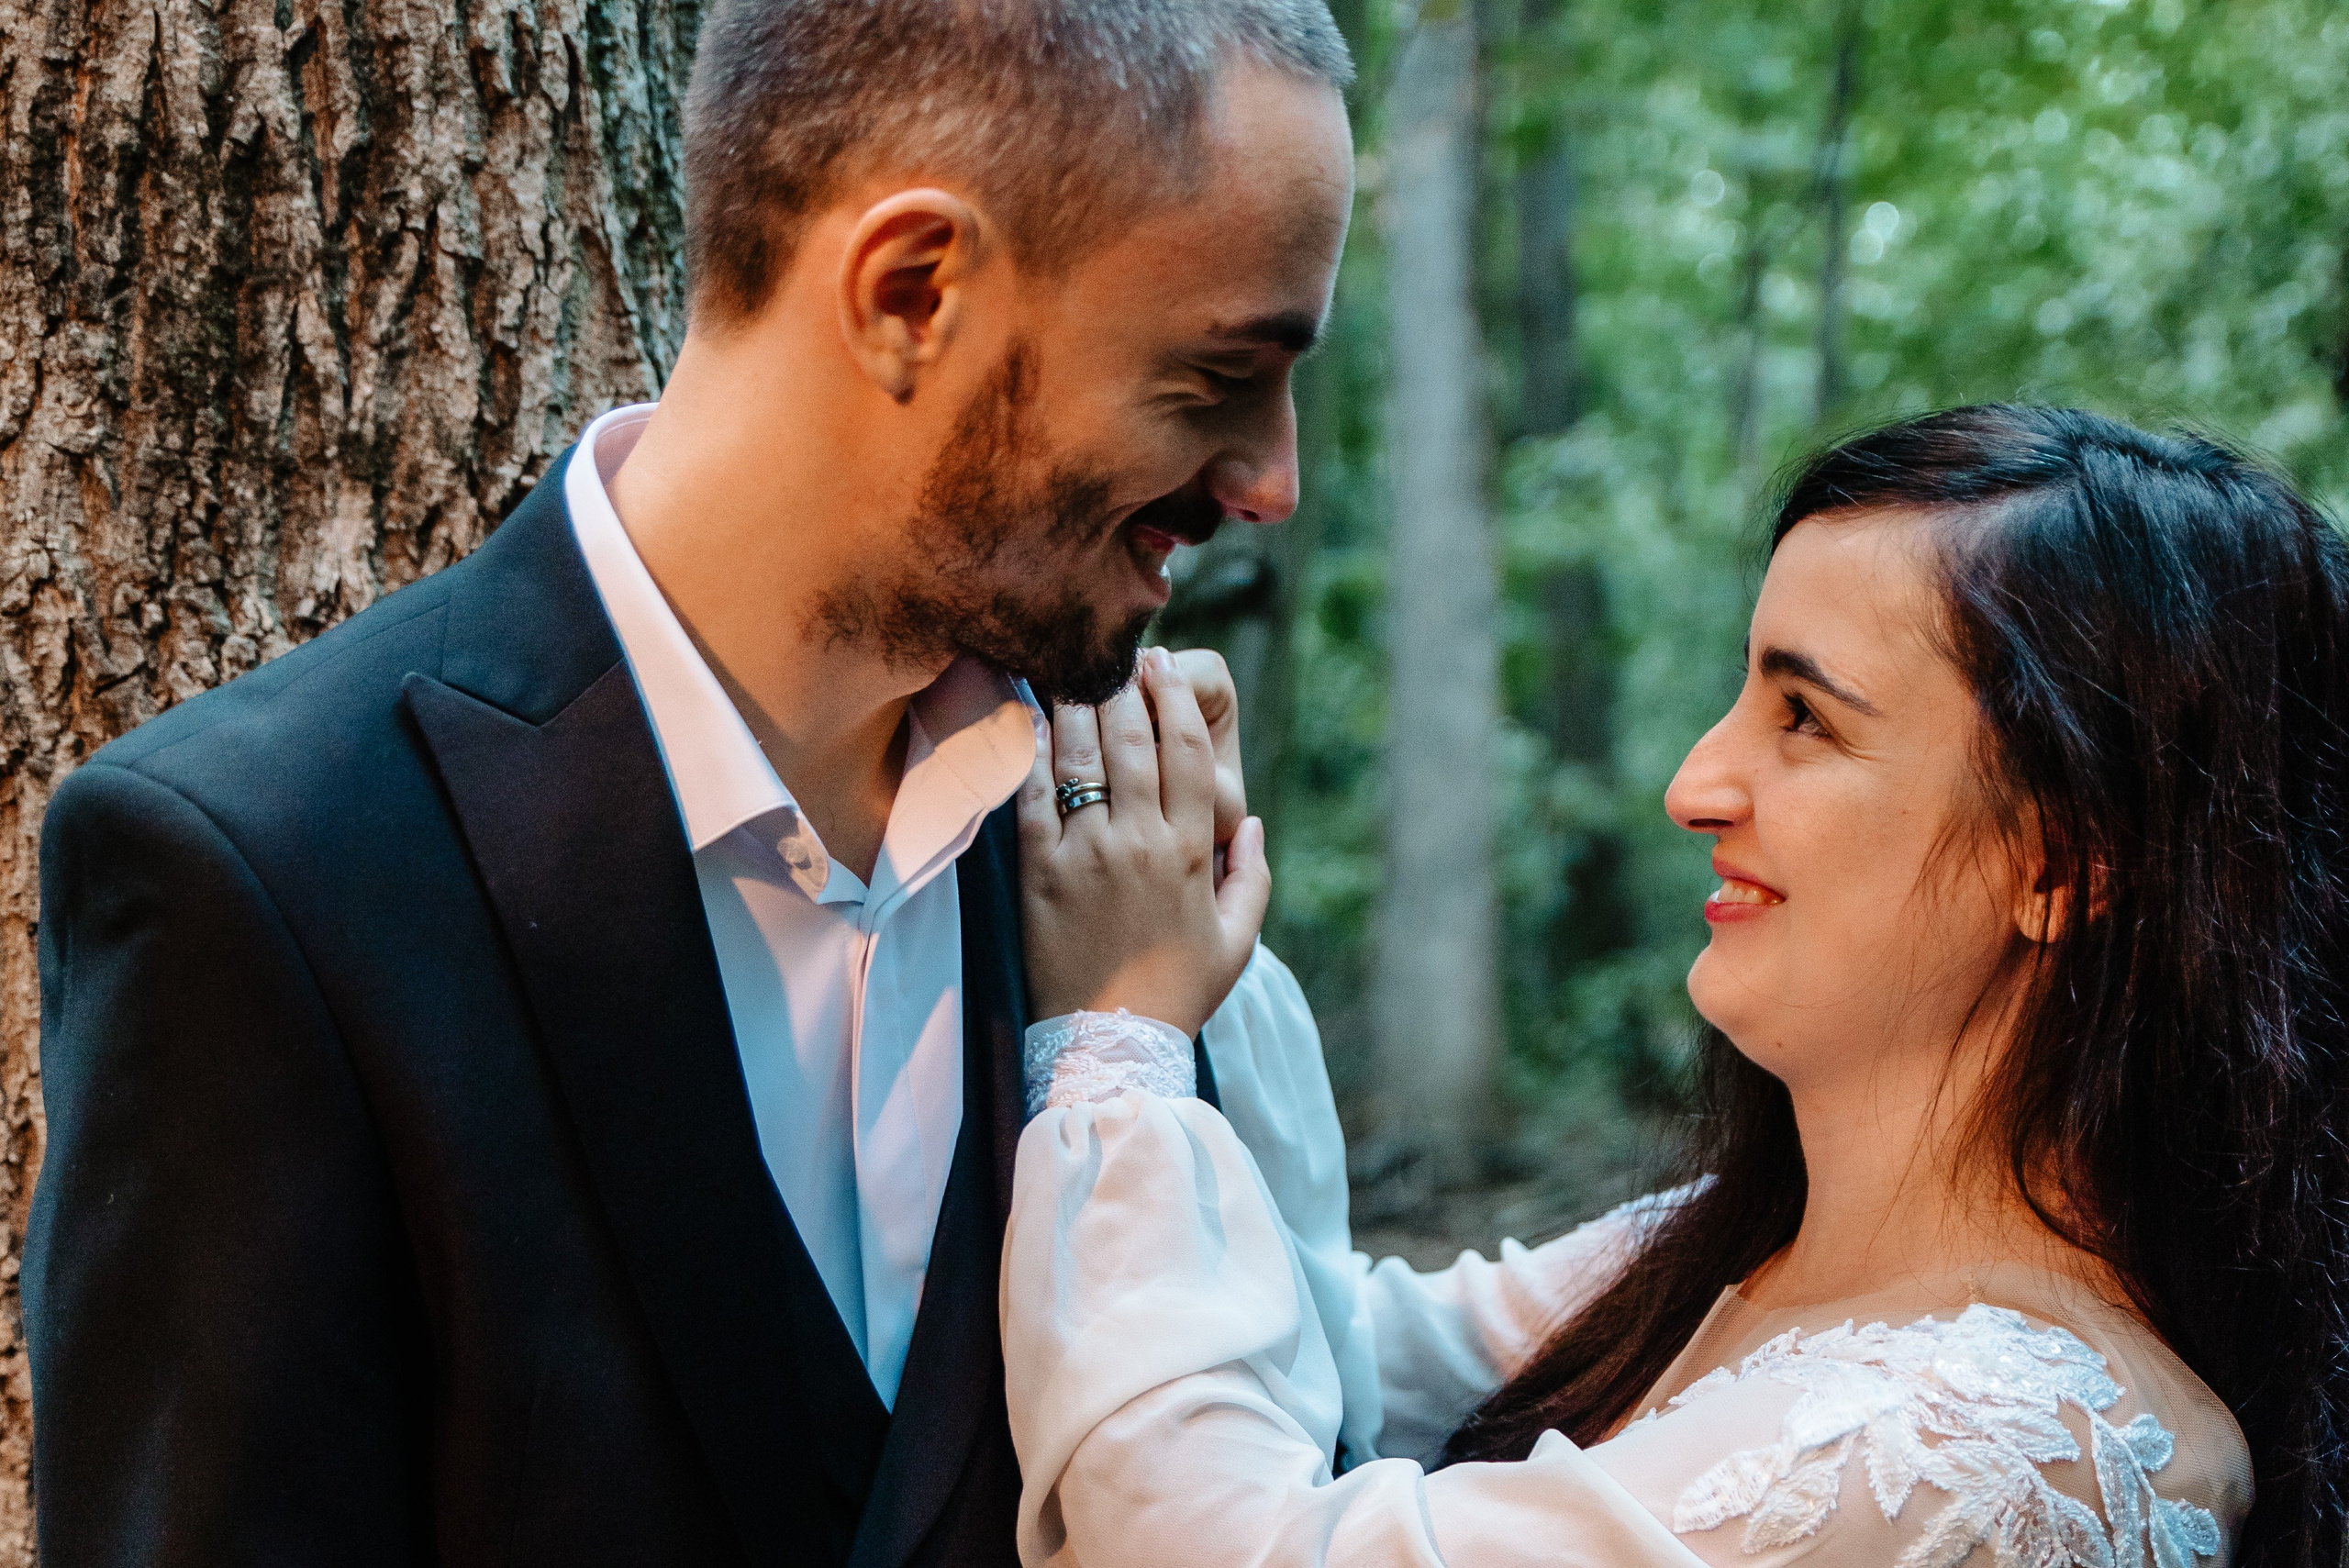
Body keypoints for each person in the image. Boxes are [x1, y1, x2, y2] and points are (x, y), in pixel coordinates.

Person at [23, 3, 1353, 1562]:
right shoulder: (266, 875)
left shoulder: (1115, 853)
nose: (1273, 483)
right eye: (1216, 379)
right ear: (912, 289)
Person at [1007, 406, 2349, 1568]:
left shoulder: (1985, 1436)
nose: (1695, 784)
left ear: (2061, 863)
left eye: (1804, 717)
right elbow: (1340, 1342)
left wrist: (1120, 1038)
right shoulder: (1740, 1238)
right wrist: (1188, 915)